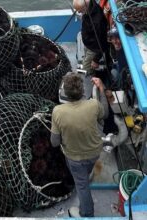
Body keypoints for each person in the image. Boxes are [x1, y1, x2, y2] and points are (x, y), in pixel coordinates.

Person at [50, 73, 109, 217]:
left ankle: (87, 213)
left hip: (75, 158)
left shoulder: (57, 111)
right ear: (82, 91)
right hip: (95, 152)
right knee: (86, 169)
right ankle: (86, 174)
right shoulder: (94, 104)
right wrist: (101, 89)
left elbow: (54, 142)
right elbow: (105, 114)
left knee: (82, 185)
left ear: (65, 93)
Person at [73, 0, 111, 76]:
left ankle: (91, 75)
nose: (79, 13)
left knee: (87, 68)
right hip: (88, 43)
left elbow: (103, 41)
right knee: (86, 58)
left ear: (85, 7)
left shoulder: (98, 21)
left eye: (80, 11)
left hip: (94, 48)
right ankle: (86, 63)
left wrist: (96, 59)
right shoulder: (90, 5)